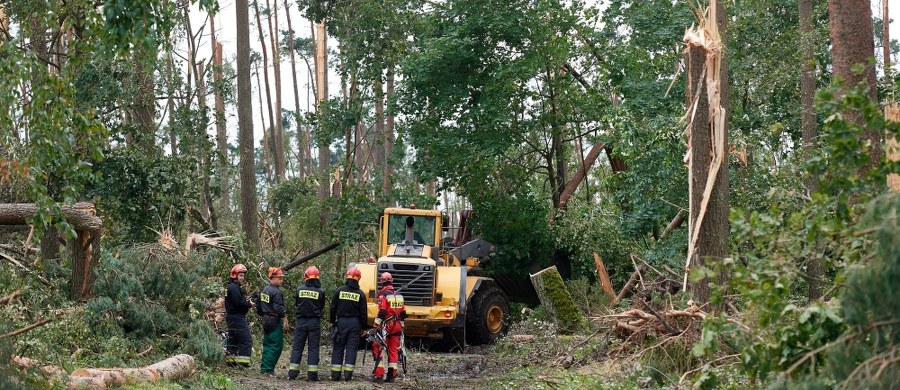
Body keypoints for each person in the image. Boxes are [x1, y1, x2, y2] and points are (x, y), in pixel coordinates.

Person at [329, 266, 367, 381]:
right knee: (351, 348)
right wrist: (363, 327)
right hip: (355, 323)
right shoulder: (360, 294)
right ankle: (348, 376)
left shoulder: (339, 291)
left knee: (338, 347)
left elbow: (332, 308)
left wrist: (332, 321)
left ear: (347, 277)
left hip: (341, 322)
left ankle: (335, 375)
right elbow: (363, 313)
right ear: (358, 279)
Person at [288, 266, 326, 381]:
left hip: (301, 321)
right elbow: (322, 306)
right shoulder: (321, 291)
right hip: (314, 322)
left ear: (306, 277)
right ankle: (312, 375)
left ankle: (292, 374)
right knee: (313, 348)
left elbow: (296, 304)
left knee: (297, 347)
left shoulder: (299, 289)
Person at [372, 272, 407, 383]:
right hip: (397, 327)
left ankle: (379, 375)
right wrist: (401, 327)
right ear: (391, 281)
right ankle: (391, 376)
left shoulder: (383, 296)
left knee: (377, 347)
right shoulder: (399, 296)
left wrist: (376, 326)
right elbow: (403, 314)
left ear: (382, 282)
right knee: (393, 350)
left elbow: (382, 312)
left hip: (386, 326)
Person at [259, 267, 288, 375]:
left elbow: (258, 304)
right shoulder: (276, 292)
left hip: (266, 319)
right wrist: (285, 319)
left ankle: (265, 367)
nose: (282, 281)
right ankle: (268, 369)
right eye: (280, 278)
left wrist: (263, 313)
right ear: (273, 278)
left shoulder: (265, 289)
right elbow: (279, 308)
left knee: (267, 344)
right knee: (276, 345)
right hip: (274, 320)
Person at [224, 264, 253, 367]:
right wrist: (249, 304)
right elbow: (238, 303)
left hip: (231, 317)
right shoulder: (234, 287)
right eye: (240, 275)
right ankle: (243, 363)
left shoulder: (230, 287)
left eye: (243, 276)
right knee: (246, 339)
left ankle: (230, 362)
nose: (242, 278)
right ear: (235, 275)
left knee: (234, 339)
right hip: (237, 317)